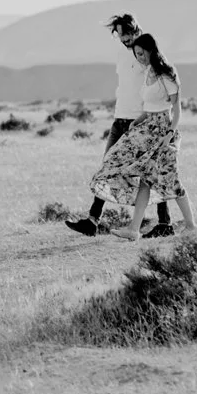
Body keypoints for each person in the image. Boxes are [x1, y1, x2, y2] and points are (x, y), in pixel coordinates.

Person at [65, 14, 174, 238]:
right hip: (120, 119)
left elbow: (163, 85)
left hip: (141, 122)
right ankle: (92, 222)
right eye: (119, 36)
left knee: (150, 171)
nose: (123, 40)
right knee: (108, 167)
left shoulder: (147, 54)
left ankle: (165, 223)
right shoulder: (121, 54)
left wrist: (162, 122)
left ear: (135, 30)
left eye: (126, 35)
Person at [89, 32, 197, 241]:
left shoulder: (167, 74)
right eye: (136, 54)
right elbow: (150, 107)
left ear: (151, 50)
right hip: (147, 127)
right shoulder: (148, 72)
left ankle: (191, 226)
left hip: (163, 130)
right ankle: (133, 229)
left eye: (141, 53)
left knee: (170, 179)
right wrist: (138, 121)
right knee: (139, 176)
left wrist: (169, 134)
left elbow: (176, 109)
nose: (139, 58)